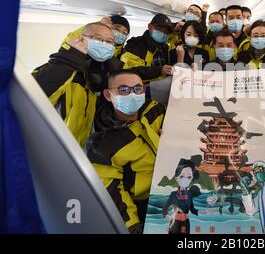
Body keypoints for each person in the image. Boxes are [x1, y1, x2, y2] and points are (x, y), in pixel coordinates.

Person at [86, 70, 165, 234]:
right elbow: (114, 195)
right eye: (124, 90)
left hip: (178, 181)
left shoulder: (154, 109)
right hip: (148, 202)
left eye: (138, 89)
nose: (132, 94)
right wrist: (134, 229)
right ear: (108, 95)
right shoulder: (101, 147)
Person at [33, 22, 121, 147]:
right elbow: (33, 93)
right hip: (51, 147)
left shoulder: (105, 73)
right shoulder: (63, 68)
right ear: (82, 38)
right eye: (98, 38)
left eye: (109, 41)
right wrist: (68, 58)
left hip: (79, 149)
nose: (104, 44)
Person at [120, 13, 174, 82]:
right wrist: (159, 70)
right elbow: (129, 70)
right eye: (159, 29)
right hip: (141, 88)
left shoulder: (166, 47)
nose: (162, 34)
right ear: (150, 27)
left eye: (166, 32)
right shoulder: (135, 45)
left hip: (163, 87)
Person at [61, 15, 130, 58]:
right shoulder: (92, 44)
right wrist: (99, 25)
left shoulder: (121, 53)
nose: (120, 33)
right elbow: (71, 42)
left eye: (125, 33)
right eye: (117, 29)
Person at [162, 159, 200, 234]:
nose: (185, 179)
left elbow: (192, 209)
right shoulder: (173, 194)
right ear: (176, 178)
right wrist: (169, 218)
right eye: (182, 176)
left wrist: (202, 212)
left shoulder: (189, 194)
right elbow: (165, 209)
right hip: (175, 223)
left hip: (186, 222)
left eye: (189, 177)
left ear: (192, 178)